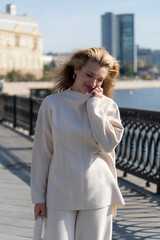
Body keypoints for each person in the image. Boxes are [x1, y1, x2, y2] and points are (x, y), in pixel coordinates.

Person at [31, 47, 125, 240]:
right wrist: (38, 198)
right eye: (89, 75)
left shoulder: (108, 107)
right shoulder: (52, 104)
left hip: (98, 192)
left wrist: (94, 108)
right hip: (59, 193)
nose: (93, 83)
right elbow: (42, 153)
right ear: (76, 70)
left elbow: (108, 144)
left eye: (99, 79)